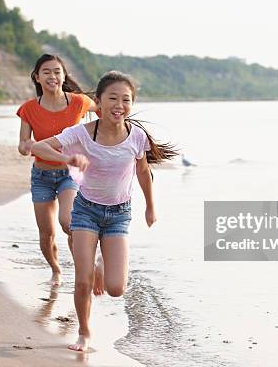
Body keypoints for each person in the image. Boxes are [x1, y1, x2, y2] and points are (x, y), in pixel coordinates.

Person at [31, 71, 177, 352]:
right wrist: (67, 158)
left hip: (119, 215)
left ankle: (100, 263)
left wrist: (150, 206)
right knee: (83, 279)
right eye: (112, 98)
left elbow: (143, 171)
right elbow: (39, 146)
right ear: (98, 101)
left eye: (126, 99)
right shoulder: (82, 134)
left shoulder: (136, 136)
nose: (119, 105)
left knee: (116, 288)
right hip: (85, 211)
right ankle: (84, 333)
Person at [17, 54, 97, 286]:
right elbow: (23, 144)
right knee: (47, 234)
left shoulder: (79, 102)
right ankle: (56, 270)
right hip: (41, 175)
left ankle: (84, 270)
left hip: (69, 174)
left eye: (57, 71)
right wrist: (26, 147)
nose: (52, 76)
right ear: (37, 77)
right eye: (47, 72)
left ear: (63, 76)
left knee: (68, 222)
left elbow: (102, 111)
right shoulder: (28, 109)